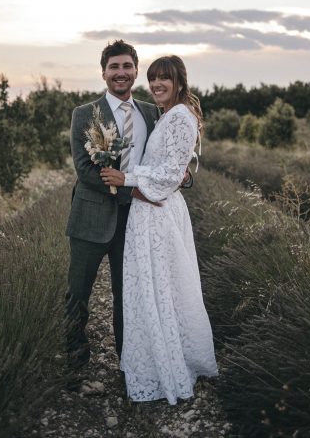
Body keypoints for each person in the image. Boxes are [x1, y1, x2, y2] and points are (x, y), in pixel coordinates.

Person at [100, 55, 218, 405]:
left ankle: (168, 365)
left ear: (180, 80)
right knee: (156, 288)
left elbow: (170, 173)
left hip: (157, 213)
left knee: (161, 288)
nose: (157, 85)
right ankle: (155, 357)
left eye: (164, 79)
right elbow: (171, 169)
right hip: (148, 211)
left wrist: (129, 181)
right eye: (152, 79)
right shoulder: (166, 114)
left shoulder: (181, 116)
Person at [64, 40, 161, 381]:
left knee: (128, 297)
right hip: (91, 218)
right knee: (77, 295)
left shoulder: (151, 113)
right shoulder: (84, 114)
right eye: (114, 67)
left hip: (136, 221)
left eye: (127, 67)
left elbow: (158, 162)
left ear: (136, 71)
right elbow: (85, 170)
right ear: (103, 72)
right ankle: (74, 363)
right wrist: (129, 189)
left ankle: (128, 365)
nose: (121, 73)